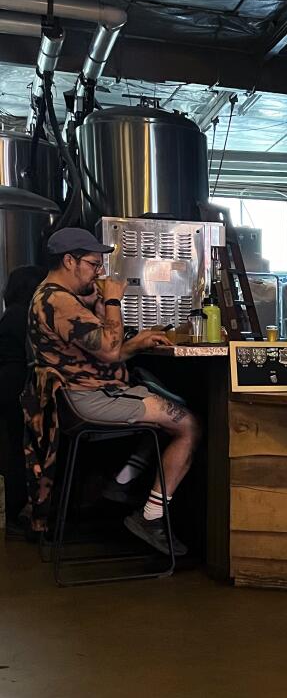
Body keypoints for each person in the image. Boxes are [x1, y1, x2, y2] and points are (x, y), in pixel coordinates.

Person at [24, 227, 199, 553]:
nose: (99, 271)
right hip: (87, 400)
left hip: (86, 395)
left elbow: (111, 350)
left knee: (172, 407)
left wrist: (137, 342)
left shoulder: (55, 297)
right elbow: (107, 349)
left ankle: (121, 484)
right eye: (93, 264)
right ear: (69, 261)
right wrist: (113, 298)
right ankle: (150, 517)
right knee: (187, 424)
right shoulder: (59, 301)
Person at [1, 265, 47, 534]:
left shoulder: (12, 314)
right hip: (17, 387)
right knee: (22, 450)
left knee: (15, 449)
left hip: (8, 385)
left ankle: (18, 510)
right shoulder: (25, 315)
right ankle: (22, 512)